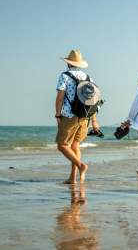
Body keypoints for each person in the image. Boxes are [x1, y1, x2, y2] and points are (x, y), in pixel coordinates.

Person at [55, 50, 100, 184]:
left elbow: (59, 98)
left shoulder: (65, 76)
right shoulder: (88, 78)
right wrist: (94, 121)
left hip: (70, 115)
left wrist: (58, 115)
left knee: (62, 145)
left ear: (68, 63)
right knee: (75, 145)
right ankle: (73, 178)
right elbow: (93, 100)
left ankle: (81, 165)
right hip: (85, 117)